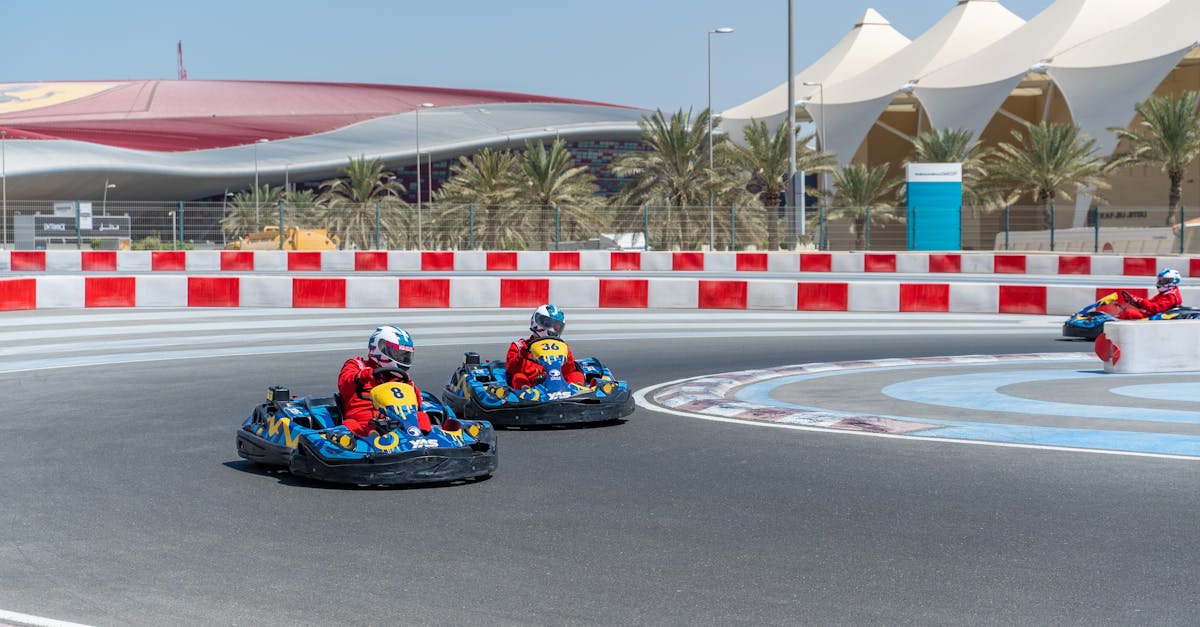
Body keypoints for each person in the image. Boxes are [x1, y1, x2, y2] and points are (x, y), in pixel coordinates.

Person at [337, 325, 430, 436]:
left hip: (397, 419)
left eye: (404, 355)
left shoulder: (401, 378)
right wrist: (359, 377)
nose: (402, 359)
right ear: (379, 348)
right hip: (363, 423)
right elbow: (344, 384)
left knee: (422, 416)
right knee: (349, 425)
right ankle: (372, 437)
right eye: (397, 354)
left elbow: (417, 405)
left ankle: (426, 438)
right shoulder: (357, 365)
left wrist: (411, 388)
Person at [506, 304, 585, 389]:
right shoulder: (519, 346)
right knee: (518, 376)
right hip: (532, 386)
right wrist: (521, 356)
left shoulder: (563, 347)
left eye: (556, 326)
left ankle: (578, 390)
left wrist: (564, 357)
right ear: (537, 322)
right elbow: (511, 371)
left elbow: (568, 371)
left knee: (576, 374)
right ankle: (525, 392)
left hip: (559, 383)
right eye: (548, 324)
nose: (552, 329)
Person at [1116, 268, 1183, 319]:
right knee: (1129, 312)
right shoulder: (1166, 293)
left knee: (1129, 313)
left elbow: (1156, 308)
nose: (1161, 282)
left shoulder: (1170, 296)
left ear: (1174, 281)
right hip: (1153, 314)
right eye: (1160, 280)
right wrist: (1136, 300)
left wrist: (1141, 301)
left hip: (1155, 316)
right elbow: (1151, 302)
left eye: (1164, 280)